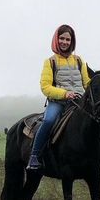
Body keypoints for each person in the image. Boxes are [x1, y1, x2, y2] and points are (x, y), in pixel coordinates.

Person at [27, 24, 91, 169]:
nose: (64, 42)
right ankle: (34, 156)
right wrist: (65, 93)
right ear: (56, 39)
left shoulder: (79, 60)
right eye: (61, 38)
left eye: (68, 39)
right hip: (58, 102)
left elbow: (87, 83)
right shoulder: (50, 61)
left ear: (72, 41)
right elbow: (45, 87)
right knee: (49, 120)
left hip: (78, 101)